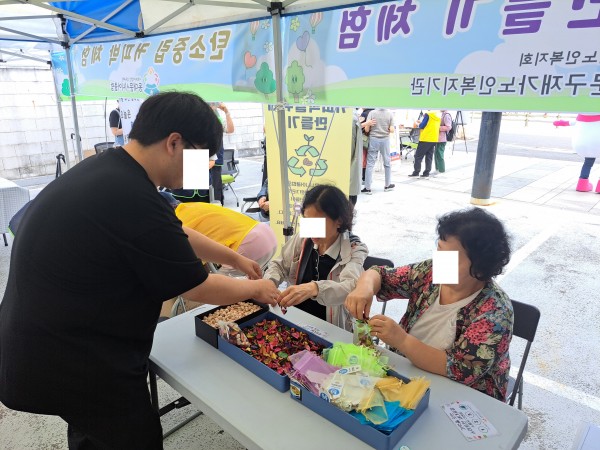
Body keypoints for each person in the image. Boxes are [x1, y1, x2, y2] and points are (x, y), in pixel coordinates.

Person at [0, 92, 280, 450]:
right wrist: (255, 289)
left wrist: (235, 258)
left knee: (91, 434)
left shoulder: (112, 170)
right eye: (201, 156)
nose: (202, 168)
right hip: (73, 358)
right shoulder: (130, 194)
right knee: (134, 439)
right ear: (174, 143)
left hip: (43, 344)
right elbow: (197, 286)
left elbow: (174, 228)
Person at [345, 207, 513, 401]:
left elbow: (459, 369)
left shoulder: (495, 312)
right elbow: (380, 275)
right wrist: (364, 288)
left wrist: (401, 340)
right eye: (439, 250)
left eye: (452, 258)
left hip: (463, 398)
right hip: (407, 374)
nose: (440, 262)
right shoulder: (430, 272)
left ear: (481, 268)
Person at [264, 184, 368, 331]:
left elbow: (350, 287)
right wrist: (269, 282)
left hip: (332, 328)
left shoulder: (354, 249)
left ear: (339, 220)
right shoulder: (303, 239)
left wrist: (314, 288)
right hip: (296, 320)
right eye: (307, 221)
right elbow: (279, 264)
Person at [160, 191, 277, 275]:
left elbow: (193, 265)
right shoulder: (192, 206)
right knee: (248, 286)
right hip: (266, 233)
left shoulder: (178, 222)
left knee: (218, 293)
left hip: (249, 244)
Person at [553, 114, 600, 193]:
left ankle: (582, 185)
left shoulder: (581, 117)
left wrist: (559, 122)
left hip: (586, 144)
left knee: (587, 164)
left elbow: (567, 123)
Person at [361, 108, 395, 194]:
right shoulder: (390, 114)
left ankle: (367, 188)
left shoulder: (372, 113)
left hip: (373, 139)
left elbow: (367, 129)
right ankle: (387, 185)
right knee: (387, 163)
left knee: (370, 164)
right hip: (385, 140)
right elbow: (392, 130)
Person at [210, 102, 235, 205]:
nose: (214, 105)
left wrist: (227, 112)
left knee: (216, 193)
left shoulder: (217, 117)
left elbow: (230, 130)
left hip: (215, 160)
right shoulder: (196, 116)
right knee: (198, 196)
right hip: (198, 160)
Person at [410, 110, 441, 178]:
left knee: (418, 156)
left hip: (426, 138)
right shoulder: (438, 115)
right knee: (429, 156)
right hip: (434, 138)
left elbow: (422, 126)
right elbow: (430, 125)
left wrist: (417, 123)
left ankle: (416, 172)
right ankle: (426, 173)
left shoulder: (428, 114)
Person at [434, 110, 453, 175]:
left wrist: (437, 127)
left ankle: (441, 170)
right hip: (438, 138)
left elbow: (449, 127)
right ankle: (437, 169)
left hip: (442, 138)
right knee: (436, 154)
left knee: (439, 154)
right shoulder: (441, 114)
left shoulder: (446, 115)